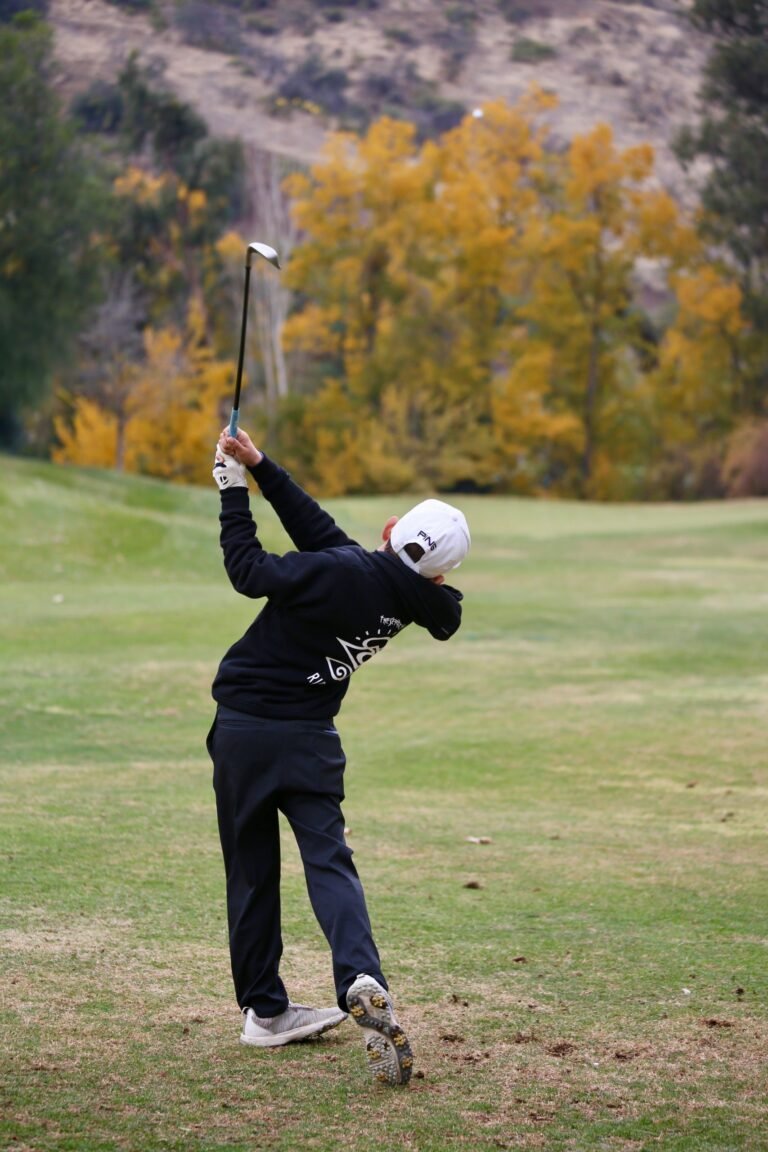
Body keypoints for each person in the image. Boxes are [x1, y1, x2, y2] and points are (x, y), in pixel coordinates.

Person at [206, 427, 470, 1086]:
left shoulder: (343, 568)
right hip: (312, 741)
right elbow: (319, 531)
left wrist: (233, 493)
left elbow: (248, 572)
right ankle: (359, 975)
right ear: (439, 572)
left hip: (245, 731)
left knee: (252, 871)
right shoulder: (411, 597)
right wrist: (261, 466)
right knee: (330, 862)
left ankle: (266, 1012)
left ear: (390, 529)